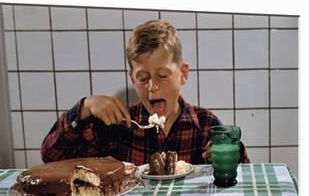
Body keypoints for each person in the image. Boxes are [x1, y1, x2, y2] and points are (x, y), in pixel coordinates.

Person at [41, 19, 249, 165]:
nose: (153, 87)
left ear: (183, 73)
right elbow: (51, 156)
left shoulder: (205, 125)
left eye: (163, 75)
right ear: (133, 79)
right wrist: (85, 107)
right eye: (143, 78)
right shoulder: (118, 127)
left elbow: (243, 175)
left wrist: (232, 154)